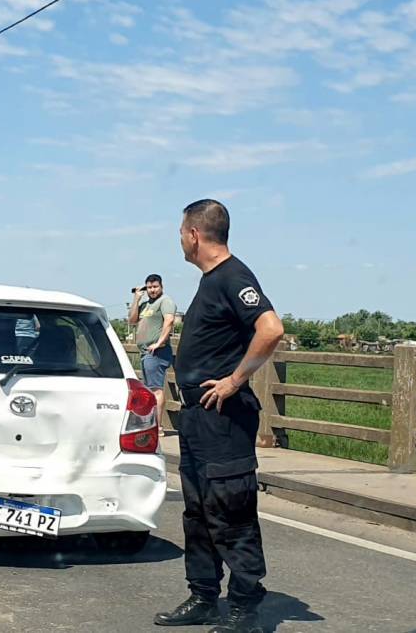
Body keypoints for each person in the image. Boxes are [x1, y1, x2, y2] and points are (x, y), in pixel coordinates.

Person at [155, 200, 284, 633]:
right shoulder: (211, 281)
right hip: (198, 418)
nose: (180, 240)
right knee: (198, 510)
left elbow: (271, 329)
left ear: (194, 234)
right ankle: (204, 596)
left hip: (223, 418)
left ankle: (246, 607)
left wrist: (234, 380)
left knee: (230, 508)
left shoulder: (234, 276)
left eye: (180, 232)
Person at [128, 274, 177, 425]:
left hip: (156, 352)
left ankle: (157, 426)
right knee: (149, 389)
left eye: (155, 287)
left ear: (161, 287)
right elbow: (132, 320)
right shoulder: (145, 304)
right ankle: (150, 423)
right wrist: (136, 299)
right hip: (145, 352)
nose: (152, 290)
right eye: (149, 287)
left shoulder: (165, 301)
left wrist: (159, 342)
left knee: (156, 390)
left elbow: (169, 321)